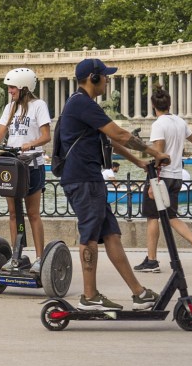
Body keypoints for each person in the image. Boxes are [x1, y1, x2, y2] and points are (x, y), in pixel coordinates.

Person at [52, 58, 160, 310]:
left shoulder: (81, 104)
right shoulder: (82, 104)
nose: (109, 80)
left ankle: (139, 292)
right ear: (93, 78)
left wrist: (140, 162)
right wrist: (154, 153)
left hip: (89, 179)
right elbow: (120, 134)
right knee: (89, 237)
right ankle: (89, 297)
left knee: (112, 235)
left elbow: (110, 141)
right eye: (106, 76)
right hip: (84, 180)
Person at [135, 87, 192, 274]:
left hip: (161, 175)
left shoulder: (158, 125)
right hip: (177, 175)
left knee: (154, 217)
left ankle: (154, 260)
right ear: (169, 104)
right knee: (170, 216)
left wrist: (154, 181)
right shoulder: (180, 122)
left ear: (153, 105)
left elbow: (160, 154)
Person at [0, 67, 51, 269]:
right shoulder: (10, 107)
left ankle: (40, 258)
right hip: (13, 165)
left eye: (12, 87)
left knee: (33, 213)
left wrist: (31, 144)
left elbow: (46, 136)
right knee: (13, 213)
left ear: (24, 87)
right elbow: (2, 131)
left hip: (32, 164)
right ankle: (16, 255)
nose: (10, 91)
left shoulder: (38, 105)